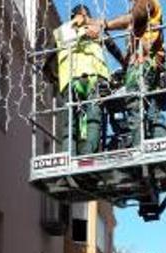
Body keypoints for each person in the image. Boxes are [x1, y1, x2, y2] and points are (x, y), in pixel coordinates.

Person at [91, 0, 166, 147]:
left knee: (134, 101)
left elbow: (134, 16)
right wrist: (105, 38)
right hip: (147, 65)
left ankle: (139, 147)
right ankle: (160, 145)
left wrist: (105, 24)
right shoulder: (139, 20)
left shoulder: (146, 3)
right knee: (152, 108)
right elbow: (125, 58)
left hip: (144, 62)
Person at [53, 4, 114, 156]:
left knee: (74, 121)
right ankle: (85, 155)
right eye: (86, 16)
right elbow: (112, 47)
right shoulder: (67, 30)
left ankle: (73, 155)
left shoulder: (62, 32)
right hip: (89, 80)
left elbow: (48, 57)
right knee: (91, 119)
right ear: (79, 16)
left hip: (75, 81)